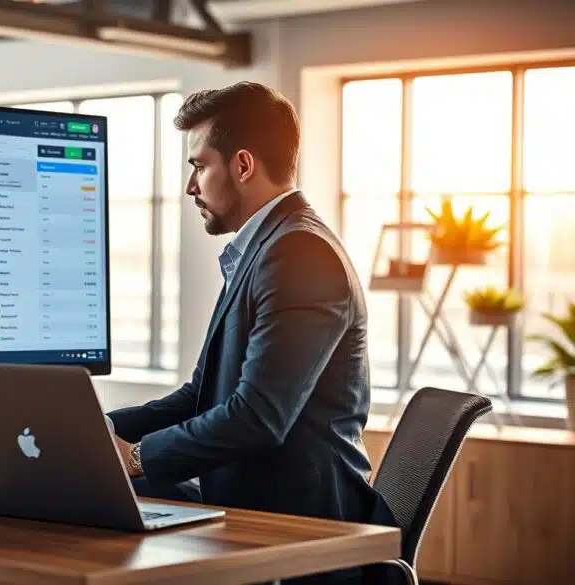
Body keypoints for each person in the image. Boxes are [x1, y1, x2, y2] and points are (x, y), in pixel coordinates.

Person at [106, 82, 396, 584]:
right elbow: (202, 395)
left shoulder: (299, 253)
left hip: (304, 534)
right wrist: (98, 430)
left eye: (199, 165)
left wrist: (133, 458)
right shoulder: (265, 250)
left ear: (242, 165)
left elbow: (258, 417)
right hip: (258, 512)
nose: (190, 186)